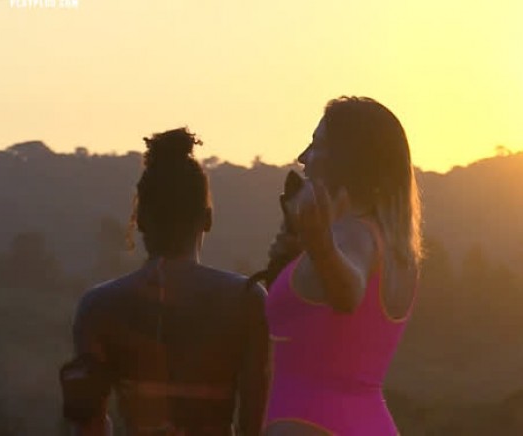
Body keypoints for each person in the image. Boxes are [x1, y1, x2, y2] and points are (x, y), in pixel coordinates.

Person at [63, 128, 268, 436]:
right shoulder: (246, 301)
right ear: (208, 218)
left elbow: (89, 426)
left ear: (140, 219)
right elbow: (254, 424)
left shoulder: (98, 307)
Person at [262, 96, 423, 435]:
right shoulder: (394, 248)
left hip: (312, 422)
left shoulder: (352, 235)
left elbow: (349, 293)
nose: (303, 158)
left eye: (316, 145)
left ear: (350, 158)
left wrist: (320, 244)